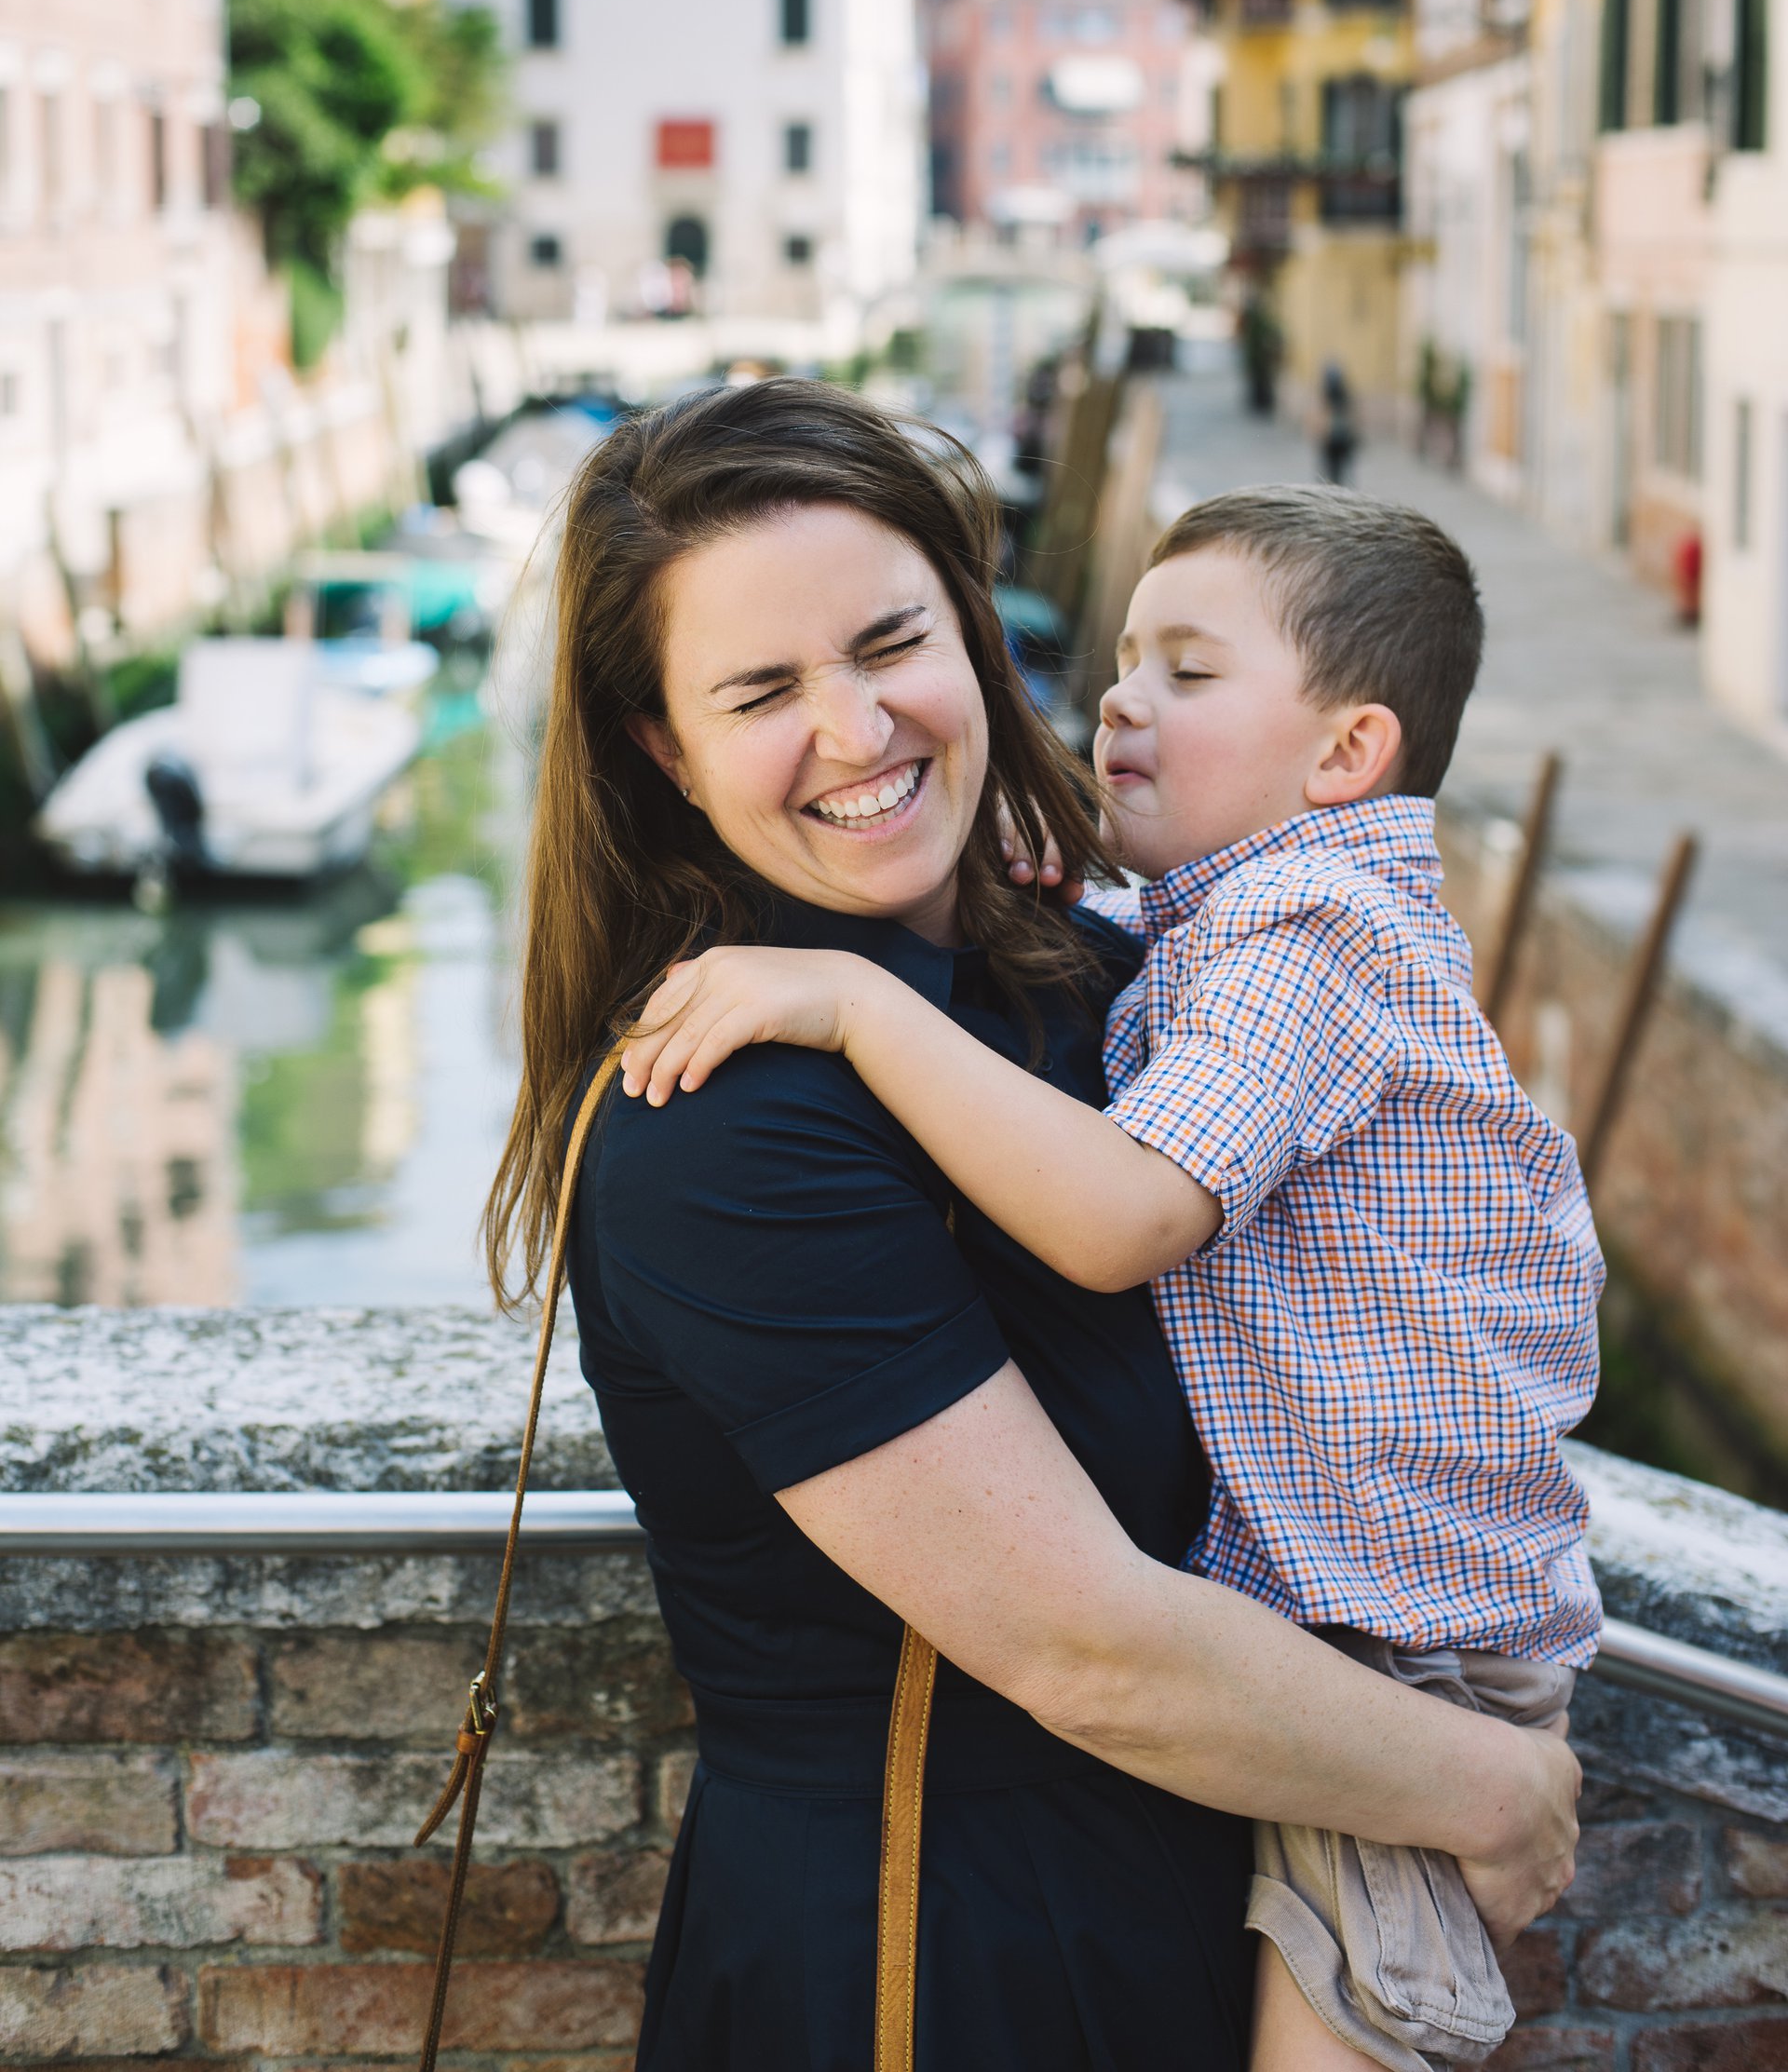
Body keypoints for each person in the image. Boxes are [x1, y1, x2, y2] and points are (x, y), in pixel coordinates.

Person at [492, 386, 1581, 2072]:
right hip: (939, 1960)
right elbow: (1088, 1643)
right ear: (664, 747)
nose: (856, 731)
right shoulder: (719, 1124)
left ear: (976, 631)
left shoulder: (1094, 978)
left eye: (889, 643)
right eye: (764, 690)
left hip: (1183, 1898)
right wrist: (1497, 1786)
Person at [1319, 363, 1359, 483]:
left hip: (1335, 438)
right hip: (1339, 438)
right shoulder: (1343, 394)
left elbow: (1322, 415)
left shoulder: (1330, 394)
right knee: (1339, 469)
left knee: (1332, 469)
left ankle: (1332, 486)